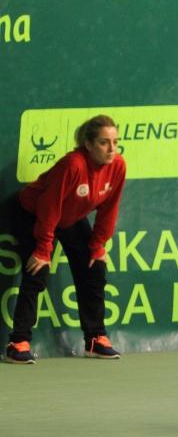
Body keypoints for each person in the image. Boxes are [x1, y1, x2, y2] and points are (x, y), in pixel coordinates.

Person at [4, 115, 126, 364]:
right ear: (88, 144)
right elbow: (49, 207)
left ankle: (95, 339)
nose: (111, 149)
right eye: (104, 142)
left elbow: (109, 209)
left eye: (115, 142)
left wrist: (98, 245)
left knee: (94, 267)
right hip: (33, 212)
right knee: (37, 270)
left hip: (70, 217)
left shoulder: (118, 166)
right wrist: (43, 248)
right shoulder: (73, 165)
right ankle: (17, 343)